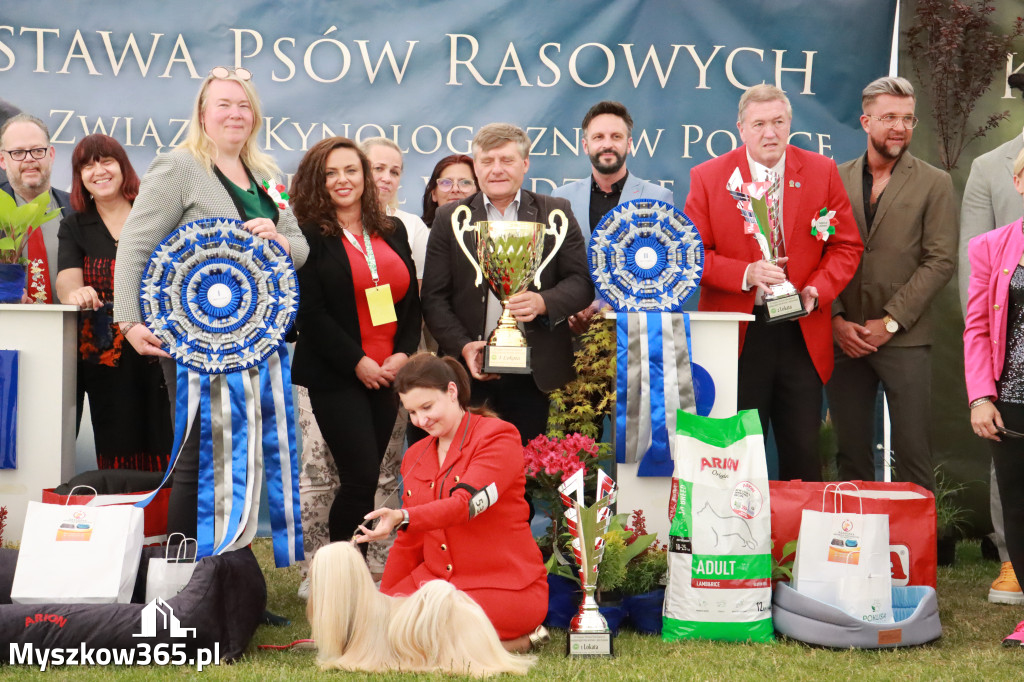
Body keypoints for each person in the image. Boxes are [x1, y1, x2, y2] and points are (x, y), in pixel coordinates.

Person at [112, 66, 308, 541]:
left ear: (255, 116)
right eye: (224, 104)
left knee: (242, 458)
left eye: (244, 105)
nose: (235, 114)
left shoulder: (267, 175)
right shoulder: (178, 167)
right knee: (199, 457)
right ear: (203, 114)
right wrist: (127, 320)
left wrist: (279, 240)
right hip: (194, 338)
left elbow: (300, 246)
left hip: (256, 340)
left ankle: (227, 574)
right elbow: (136, 243)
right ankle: (183, 580)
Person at [684, 84, 862, 481]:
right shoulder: (709, 177)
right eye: (759, 124)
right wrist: (746, 274)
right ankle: (733, 541)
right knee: (735, 458)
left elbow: (846, 246)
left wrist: (819, 289)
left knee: (803, 453)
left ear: (790, 124)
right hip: (738, 336)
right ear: (741, 129)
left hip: (801, 330)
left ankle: (800, 542)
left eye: (778, 122)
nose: (770, 133)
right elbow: (693, 256)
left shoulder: (822, 171)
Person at [356, 353, 548, 652]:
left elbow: (465, 505)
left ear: (452, 391)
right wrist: (387, 600)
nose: (421, 420)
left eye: (427, 407)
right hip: (434, 584)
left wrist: (403, 515)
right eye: (412, 412)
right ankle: (492, 644)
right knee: (383, 626)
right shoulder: (414, 454)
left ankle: (522, 640)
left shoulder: (499, 437)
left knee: (426, 632)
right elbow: (409, 543)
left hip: (502, 586)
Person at [421, 123, 593, 445]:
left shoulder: (555, 212)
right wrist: (464, 346)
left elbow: (581, 282)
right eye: (487, 161)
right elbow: (434, 299)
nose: (496, 169)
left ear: (525, 164)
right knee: (467, 469)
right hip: (469, 371)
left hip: (534, 374)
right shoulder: (450, 218)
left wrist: (544, 302)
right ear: (476, 166)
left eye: (507, 160)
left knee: (526, 474)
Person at [828, 77, 958, 492]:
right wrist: (835, 320)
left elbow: (940, 262)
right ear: (866, 121)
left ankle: (918, 554)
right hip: (844, 339)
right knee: (850, 452)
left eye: (907, 118)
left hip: (904, 338)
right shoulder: (834, 177)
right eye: (888, 118)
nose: (899, 127)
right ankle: (854, 547)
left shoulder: (935, 182)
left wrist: (890, 322)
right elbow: (813, 254)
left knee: (914, 451)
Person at [289, 136, 421, 545]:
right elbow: (310, 313)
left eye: (351, 170)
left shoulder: (391, 228)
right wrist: (357, 363)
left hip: (388, 373)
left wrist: (402, 354)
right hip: (338, 374)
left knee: (367, 483)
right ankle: (338, 578)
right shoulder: (307, 235)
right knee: (360, 477)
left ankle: (355, 585)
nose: (343, 180)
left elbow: (411, 303)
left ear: (365, 175)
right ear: (317, 180)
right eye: (331, 173)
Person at [56, 134, 172, 471]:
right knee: (117, 446)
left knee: (169, 441)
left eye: (106, 160)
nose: (99, 170)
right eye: (87, 165)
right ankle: (126, 521)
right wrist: (74, 293)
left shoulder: (154, 215)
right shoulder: (74, 224)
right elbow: (66, 279)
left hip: (161, 346)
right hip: (106, 358)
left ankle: (168, 522)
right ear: (80, 177)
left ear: (123, 167)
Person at [958, 72, 1024, 606]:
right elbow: (975, 300)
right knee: (1016, 486)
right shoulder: (989, 167)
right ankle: (1011, 562)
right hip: (1012, 370)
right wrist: (982, 385)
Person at [552, 100, 674, 333]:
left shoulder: (659, 197)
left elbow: (664, 272)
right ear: (585, 145)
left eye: (616, 137)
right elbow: (554, 269)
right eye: (598, 137)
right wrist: (568, 307)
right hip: (573, 331)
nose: (607, 144)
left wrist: (609, 305)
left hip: (634, 332)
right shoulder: (561, 198)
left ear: (628, 144)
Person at [0, 113, 73, 303]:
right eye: (17, 153)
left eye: (37, 150)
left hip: (70, 329)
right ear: (2, 160)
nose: (29, 159)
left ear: (51, 154)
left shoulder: (78, 209)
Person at [362, 137, 430, 282]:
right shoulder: (337, 223)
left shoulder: (412, 224)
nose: (387, 178)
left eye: (394, 172)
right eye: (378, 168)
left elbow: (420, 288)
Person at [421, 154, 477, 227]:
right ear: (434, 193)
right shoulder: (420, 234)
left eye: (465, 182)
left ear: (478, 191)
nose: (455, 189)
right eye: (446, 182)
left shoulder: (489, 232)